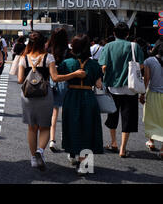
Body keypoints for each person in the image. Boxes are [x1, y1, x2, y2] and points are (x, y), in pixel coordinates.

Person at [17, 31, 86, 171]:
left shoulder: (23, 58)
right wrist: (74, 74)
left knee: (31, 127)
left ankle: (33, 158)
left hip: (27, 96)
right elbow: (55, 78)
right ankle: (40, 152)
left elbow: (19, 79)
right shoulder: (48, 57)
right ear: (44, 43)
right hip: (44, 94)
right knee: (45, 126)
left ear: (29, 43)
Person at [59, 35, 104, 175]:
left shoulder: (67, 63)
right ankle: (84, 163)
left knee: (72, 125)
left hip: (71, 97)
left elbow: (58, 78)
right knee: (87, 128)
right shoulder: (94, 65)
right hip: (88, 97)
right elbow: (99, 85)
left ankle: (73, 155)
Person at [99, 22, 144, 158]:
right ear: (128, 34)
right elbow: (141, 65)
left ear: (114, 33)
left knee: (112, 117)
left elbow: (103, 66)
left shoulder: (108, 46)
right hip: (130, 88)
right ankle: (123, 149)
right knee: (127, 119)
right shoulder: (134, 46)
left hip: (113, 87)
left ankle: (113, 143)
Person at [46, 28, 71, 153]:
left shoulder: (48, 49)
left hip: (52, 82)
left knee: (54, 112)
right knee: (66, 112)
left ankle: (52, 139)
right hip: (65, 81)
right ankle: (66, 138)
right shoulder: (68, 51)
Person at [140, 44, 163, 159]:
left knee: (151, 117)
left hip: (154, 93)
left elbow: (147, 78)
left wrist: (142, 93)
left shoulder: (149, 61)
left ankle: (151, 141)